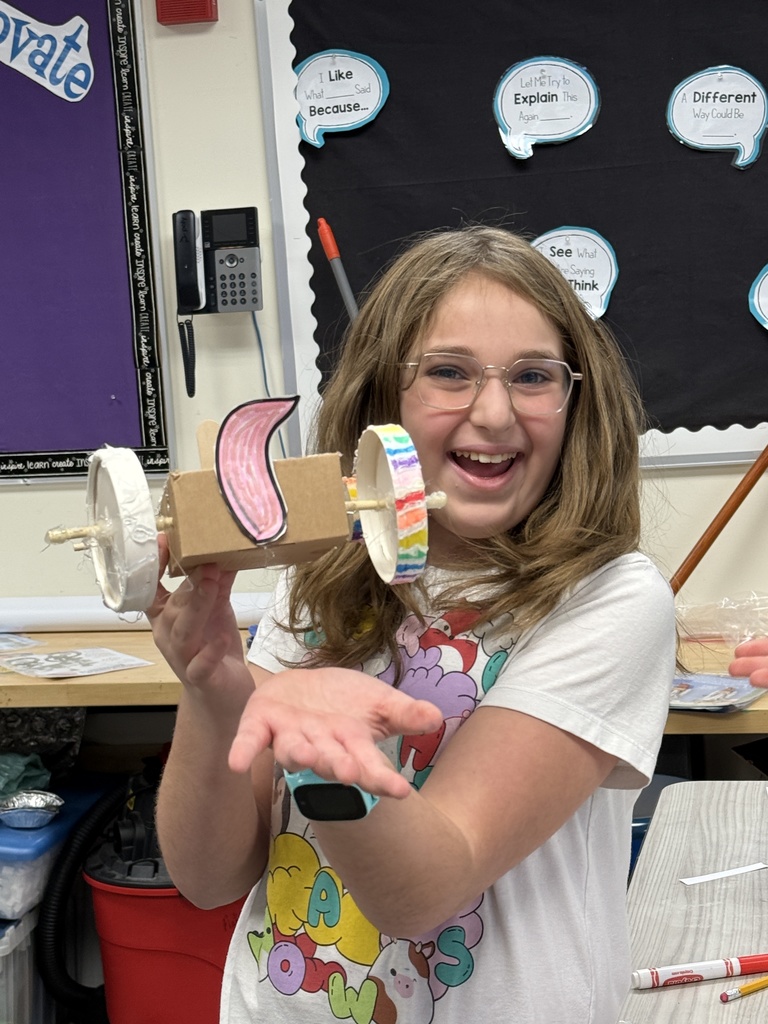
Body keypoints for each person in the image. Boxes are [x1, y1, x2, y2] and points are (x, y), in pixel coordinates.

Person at [149, 225, 676, 1024]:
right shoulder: (319, 570)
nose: (495, 413)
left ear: (575, 403)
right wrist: (217, 683)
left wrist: (323, 753)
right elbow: (209, 876)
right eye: (448, 373)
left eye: (533, 376)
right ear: (380, 400)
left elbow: (427, 888)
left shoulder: (610, 598)